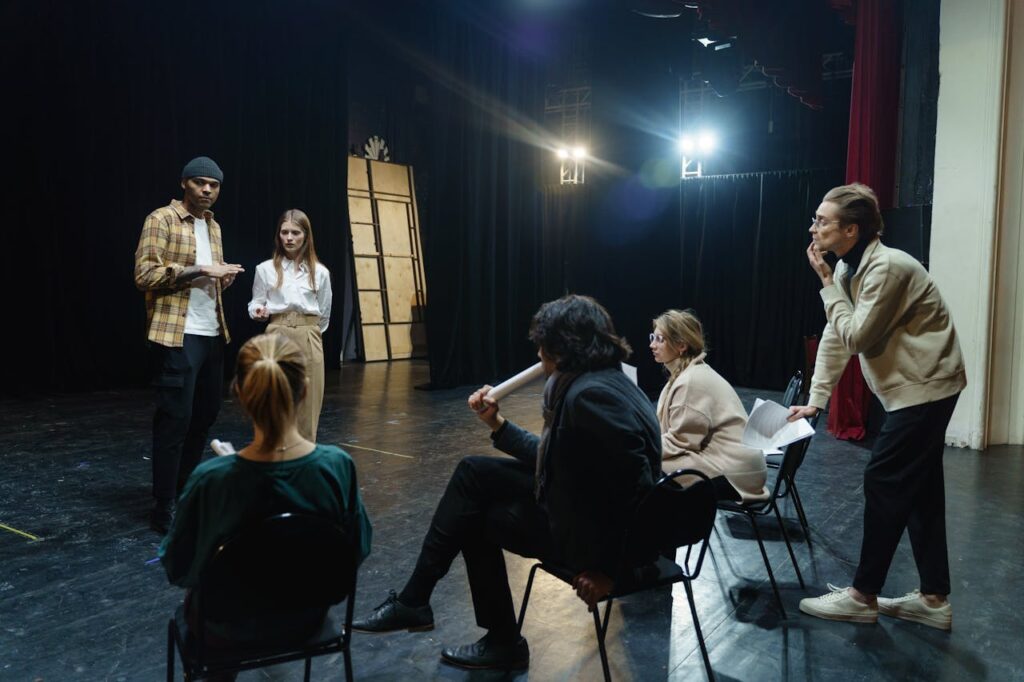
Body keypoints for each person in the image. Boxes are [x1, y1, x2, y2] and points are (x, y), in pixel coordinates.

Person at [352, 295, 661, 671]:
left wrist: (609, 572)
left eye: (542, 346)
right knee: (472, 473)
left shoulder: (591, 396)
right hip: (583, 506)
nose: (539, 354)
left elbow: (639, 488)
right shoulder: (604, 379)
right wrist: (496, 425)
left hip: (600, 546)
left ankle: (487, 634)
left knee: (477, 519)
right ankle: (418, 602)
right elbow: (556, 457)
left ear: (561, 348)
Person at [791, 183, 965, 630]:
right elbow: (835, 335)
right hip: (913, 388)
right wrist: (816, 400)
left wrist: (827, 283)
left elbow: (857, 337)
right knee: (921, 491)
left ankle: (862, 595)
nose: (814, 227)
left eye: (822, 221)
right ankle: (932, 599)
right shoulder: (853, 267)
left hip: (925, 388)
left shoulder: (886, 268)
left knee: (884, 480)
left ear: (851, 229)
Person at [159, 333, 372, 643]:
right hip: (307, 617)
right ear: (304, 392)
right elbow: (357, 548)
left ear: (240, 394)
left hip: (225, 625)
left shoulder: (212, 479)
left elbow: (178, 566)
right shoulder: (337, 467)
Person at [134, 156, 245, 534]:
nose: (207, 191)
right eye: (200, 183)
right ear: (185, 183)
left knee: (205, 417)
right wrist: (199, 269)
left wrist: (222, 279)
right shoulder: (161, 219)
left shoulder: (213, 227)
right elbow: (144, 274)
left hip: (212, 333)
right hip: (176, 334)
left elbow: (208, 279)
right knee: (173, 422)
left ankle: (183, 490)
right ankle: (162, 504)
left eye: (213, 186)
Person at [650, 309, 769, 503]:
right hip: (730, 462)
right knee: (649, 464)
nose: (652, 345)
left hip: (738, 472)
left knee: (648, 469)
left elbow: (681, 442)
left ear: (681, 345)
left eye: (659, 339)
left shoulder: (691, 381)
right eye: (652, 337)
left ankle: (661, 530)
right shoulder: (686, 375)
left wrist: (640, 448)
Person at [248, 209, 332, 441]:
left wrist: (309, 332)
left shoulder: (320, 273)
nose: (289, 238)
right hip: (277, 331)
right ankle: (272, 458)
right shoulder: (265, 269)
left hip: (308, 333)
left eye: (295, 232)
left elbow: (324, 312)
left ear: (306, 235)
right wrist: (258, 311)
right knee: (274, 400)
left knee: (309, 402)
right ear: (278, 235)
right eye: (284, 232)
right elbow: (256, 301)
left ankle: (303, 460)